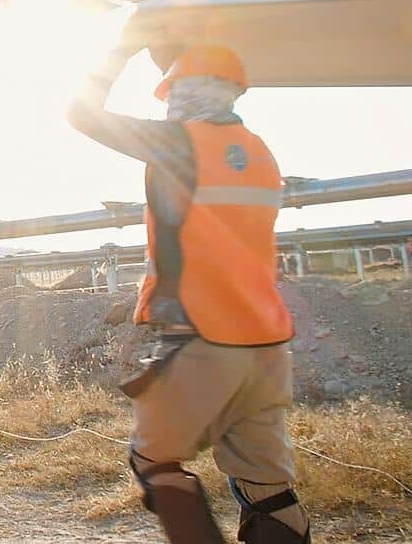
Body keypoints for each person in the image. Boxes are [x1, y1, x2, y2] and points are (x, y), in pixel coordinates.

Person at [67, 43, 309, 544]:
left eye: (175, 93)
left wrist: (119, 49)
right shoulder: (261, 152)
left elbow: (81, 114)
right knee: (268, 488)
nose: (170, 104)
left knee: (154, 460)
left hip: (202, 339)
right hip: (266, 348)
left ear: (188, 95)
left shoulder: (181, 142)